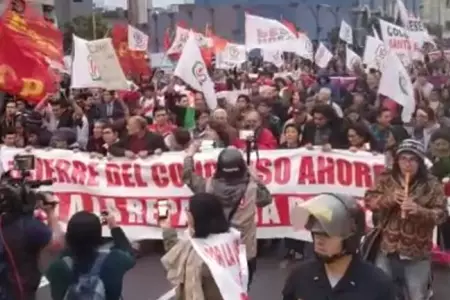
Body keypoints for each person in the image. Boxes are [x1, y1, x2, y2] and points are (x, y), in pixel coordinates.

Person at [365, 139, 448, 300]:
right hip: (387, 247)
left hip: (416, 252)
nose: (407, 164)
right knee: (382, 291)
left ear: (420, 162)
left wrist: (419, 210)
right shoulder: (387, 177)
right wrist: (389, 199)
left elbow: (442, 215)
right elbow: (369, 201)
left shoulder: (432, 184)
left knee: (416, 294)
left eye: (412, 159)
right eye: (403, 159)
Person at [182, 143, 272, 286]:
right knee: (241, 291)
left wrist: (189, 155)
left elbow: (187, 177)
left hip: (217, 253)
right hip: (245, 253)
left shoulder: (208, 186)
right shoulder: (252, 188)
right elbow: (266, 199)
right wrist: (256, 179)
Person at [282, 193, 395, 300]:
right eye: (316, 233)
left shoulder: (377, 284)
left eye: (327, 234)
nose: (319, 241)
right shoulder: (300, 277)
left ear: (350, 238)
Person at [160, 193, 241, 300]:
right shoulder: (230, 240)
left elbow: (177, 264)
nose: (186, 213)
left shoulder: (199, 254)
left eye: (188, 210)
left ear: (197, 217)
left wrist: (168, 231)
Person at [46, 211, 136, 300]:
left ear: (69, 237)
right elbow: (130, 255)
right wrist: (114, 227)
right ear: (98, 237)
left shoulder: (58, 267)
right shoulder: (115, 259)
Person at [0, 188, 64, 299]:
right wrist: (51, 211)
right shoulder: (28, 226)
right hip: (18, 293)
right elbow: (57, 243)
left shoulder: (8, 223)